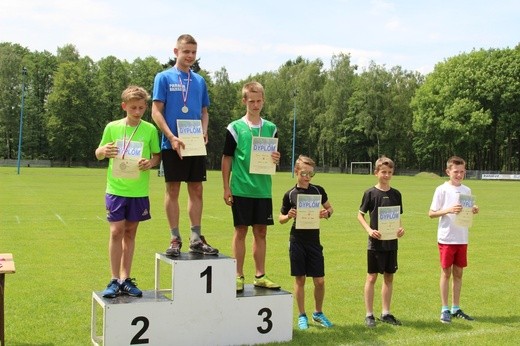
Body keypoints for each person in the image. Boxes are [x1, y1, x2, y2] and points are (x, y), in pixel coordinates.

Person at [152, 34, 218, 257]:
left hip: (194, 143)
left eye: (193, 52)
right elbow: (156, 112)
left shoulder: (199, 81)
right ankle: (174, 238)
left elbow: (204, 112)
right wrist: (171, 137)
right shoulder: (163, 77)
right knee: (173, 189)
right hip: (172, 144)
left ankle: (196, 238)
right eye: (186, 52)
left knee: (197, 188)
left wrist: (204, 130)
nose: (190, 56)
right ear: (176, 52)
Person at [95, 85, 161, 298]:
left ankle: (126, 279)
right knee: (116, 232)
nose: (137, 111)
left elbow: (157, 156)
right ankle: (114, 279)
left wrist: (149, 163)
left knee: (131, 232)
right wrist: (104, 151)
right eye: (133, 107)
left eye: (141, 108)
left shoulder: (150, 130)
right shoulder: (112, 127)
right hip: (116, 189)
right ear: (124, 106)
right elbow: (98, 153)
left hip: (138, 190)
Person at [222, 81, 281, 292]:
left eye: (259, 101)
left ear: (263, 101)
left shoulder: (271, 128)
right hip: (241, 188)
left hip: (263, 189)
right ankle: (238, 276)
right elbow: (227, 158)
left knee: (261, 232)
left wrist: (276, 158)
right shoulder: (235, 127)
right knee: (240, 231)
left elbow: (274, 158)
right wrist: (225, 187)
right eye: (251, 101)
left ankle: (260, 275)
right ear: (244, 101)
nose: (255, 105)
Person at [279, 155, 334, 330]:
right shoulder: (290, 194)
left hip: (314, 241)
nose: (307, 177)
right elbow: (280, 218)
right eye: (304, 173)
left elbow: (330, 208)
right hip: (297, 241)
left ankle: (318, 313)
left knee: (319, 281)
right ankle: (302, 315)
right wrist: (288, 216)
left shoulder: (318, 191)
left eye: (311, 173)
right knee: (300, 279)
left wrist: (326, 213)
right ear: (296, 171)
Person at [428, 156, 479, 323]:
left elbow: (467, 210)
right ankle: (444, 309)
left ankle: (456, 308)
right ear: (448, 171)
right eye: (456, 171)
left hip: (462, 237)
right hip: (447, 238)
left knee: (459, 273)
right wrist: (448, 210)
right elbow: (431, 213)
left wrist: (473, 209)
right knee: (446, 273)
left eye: (462, 172)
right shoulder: (441, 189)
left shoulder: (467, 190)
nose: (459, 175)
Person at [357, 156, 405, 327]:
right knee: (371, 277)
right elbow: (360, 215)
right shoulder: (370, 193)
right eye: (383, 172)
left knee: (389, 277)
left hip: (391, 243)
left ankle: (386, 313)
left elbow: (397, 216)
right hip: (375, 243)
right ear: (376, 172)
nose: (386, 175)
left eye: (390, 172)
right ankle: (369, 314)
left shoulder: (396, 194)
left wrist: (400, 229)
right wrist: (369, 230)